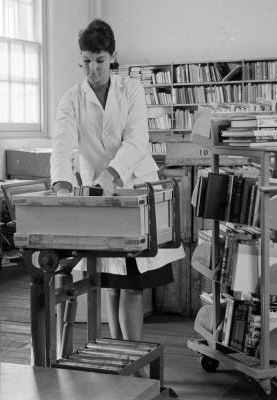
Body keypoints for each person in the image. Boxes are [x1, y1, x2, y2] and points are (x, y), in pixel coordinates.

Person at [50, 19, 185, 345]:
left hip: (134, 186)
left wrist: (112, 175)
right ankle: (120, 356)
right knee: (108, 281)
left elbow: (138, 141)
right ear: (80, 59)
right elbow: (61, 145)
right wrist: (63, 187)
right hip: (100, 195)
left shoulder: (132, 90)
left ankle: (134, 363)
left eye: (99, 61)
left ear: (112, 56)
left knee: (133, 286)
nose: (93, 69)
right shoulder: (72, 98)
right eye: (86, 61)